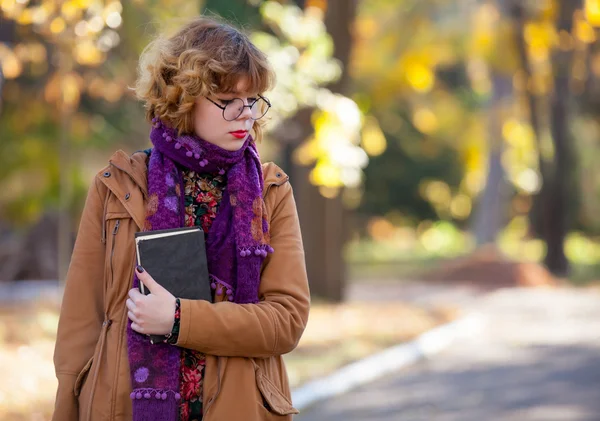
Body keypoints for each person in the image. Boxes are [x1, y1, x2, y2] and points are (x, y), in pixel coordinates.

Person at [52, 16, 310, 421]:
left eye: (254, 99)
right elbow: (79, 324)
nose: (246, 115)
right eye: (228, 101)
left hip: (236, 405)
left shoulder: (271, 191)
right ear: (183, 97)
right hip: (125, 406)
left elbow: (286, 321)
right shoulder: (117, 186)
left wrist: (178, 319)